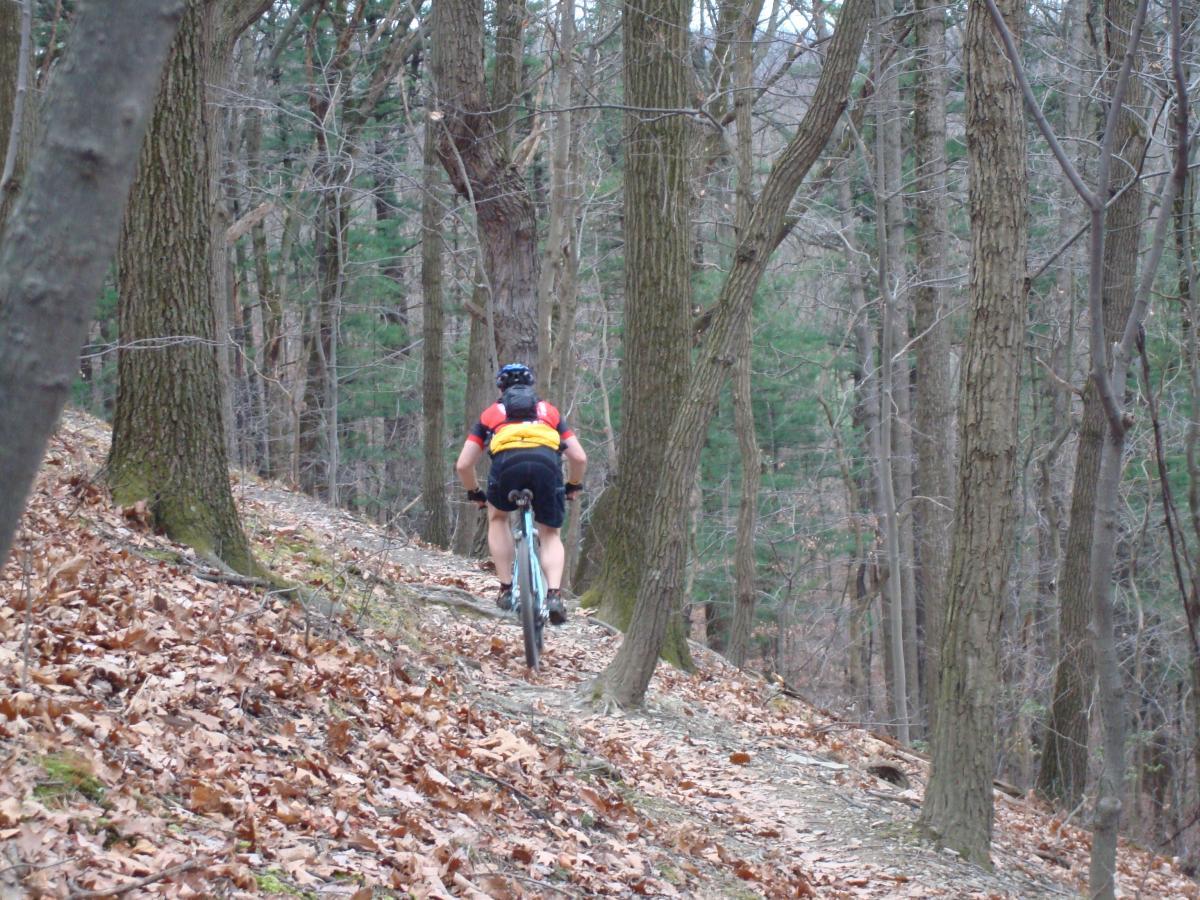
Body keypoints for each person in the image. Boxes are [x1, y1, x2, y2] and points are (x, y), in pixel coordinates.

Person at [455, 363, 587, 625]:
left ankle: (505, 589)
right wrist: (573, 485)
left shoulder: (491, 414)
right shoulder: (549, 412)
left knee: (498, 518)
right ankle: (554, 595)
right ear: (530, 386)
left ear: (501, 388)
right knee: (550, 533)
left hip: (507, 467)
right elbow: (579, 458)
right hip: (547, 466)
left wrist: (474, 493)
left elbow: (463, 465)